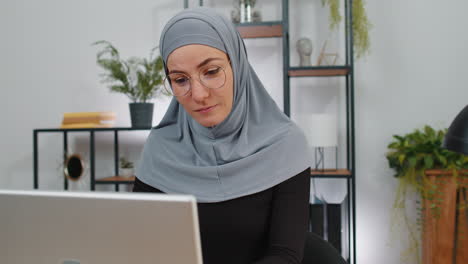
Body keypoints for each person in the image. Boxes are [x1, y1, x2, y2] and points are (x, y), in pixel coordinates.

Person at [133, 7, 311, 264]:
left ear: (237, 64)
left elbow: (284, 255)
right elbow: (140, 247)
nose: (198, 94)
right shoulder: (159, 148)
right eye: (180, 80)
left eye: (212, 72)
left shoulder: (285, 144)